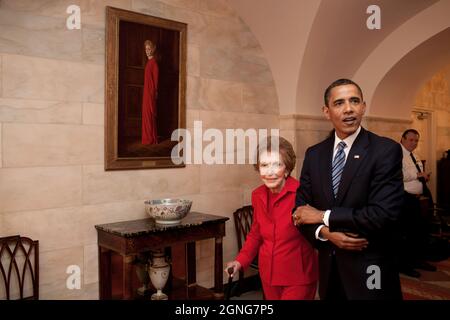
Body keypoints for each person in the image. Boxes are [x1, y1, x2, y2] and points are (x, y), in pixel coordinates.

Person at [292, 78, 404, 300]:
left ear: (363, 106)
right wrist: (325, 233)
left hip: (371, 267)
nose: (349, 109)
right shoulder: (314, 154)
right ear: (327, 111)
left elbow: (382, 215)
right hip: (330, 268)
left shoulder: (384, 150)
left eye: (354, 101)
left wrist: (322, 216)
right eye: (339, 103)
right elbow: (300, 212)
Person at [225, 137, 318, 300]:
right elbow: (256, 234)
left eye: (277, 164)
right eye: (264, 165)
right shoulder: (257, 195)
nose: (270, 172)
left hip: (298, 276)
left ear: (287, 169)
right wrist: (239, 261)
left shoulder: (303, 193)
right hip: (268, 275)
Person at [398, 129, 437, 277]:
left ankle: (418, 260)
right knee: (406, 234)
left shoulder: (415, 155)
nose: (414, 143)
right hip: (404, 199)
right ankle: (404, 265)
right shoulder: (397, 155)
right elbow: (398, 175)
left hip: (417, 200)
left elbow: (417, 175)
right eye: (411, 140)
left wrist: (423, 177)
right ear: (402, 139)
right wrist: (418, 174)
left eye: (416, 141)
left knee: (419, 232)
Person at [141, 40, 159, 145]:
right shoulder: (149, 62)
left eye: (149, 49)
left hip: (150, 93)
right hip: (146, 92)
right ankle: (147, 138)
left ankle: (150, 139)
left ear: (152, 49)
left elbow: (155, 81)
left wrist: (154, 93)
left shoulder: (154, 63)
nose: (147, 51)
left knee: (149, 114)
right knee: (146, 114)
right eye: (146, 49)